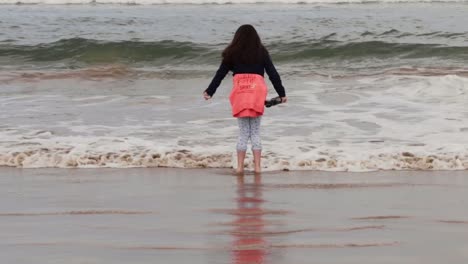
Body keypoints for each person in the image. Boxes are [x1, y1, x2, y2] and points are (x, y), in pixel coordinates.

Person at [203, 24, 287, 174]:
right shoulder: (261, 52)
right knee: (255, 132)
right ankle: (258, 168)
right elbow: (273, 73)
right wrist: (281, 93)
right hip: (256, 94)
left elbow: (220, 74)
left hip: (240, 94)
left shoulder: (232, 53)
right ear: (256, 38)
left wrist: (210, 91)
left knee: (243, 133)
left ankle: (240, 168)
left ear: (237, 38)